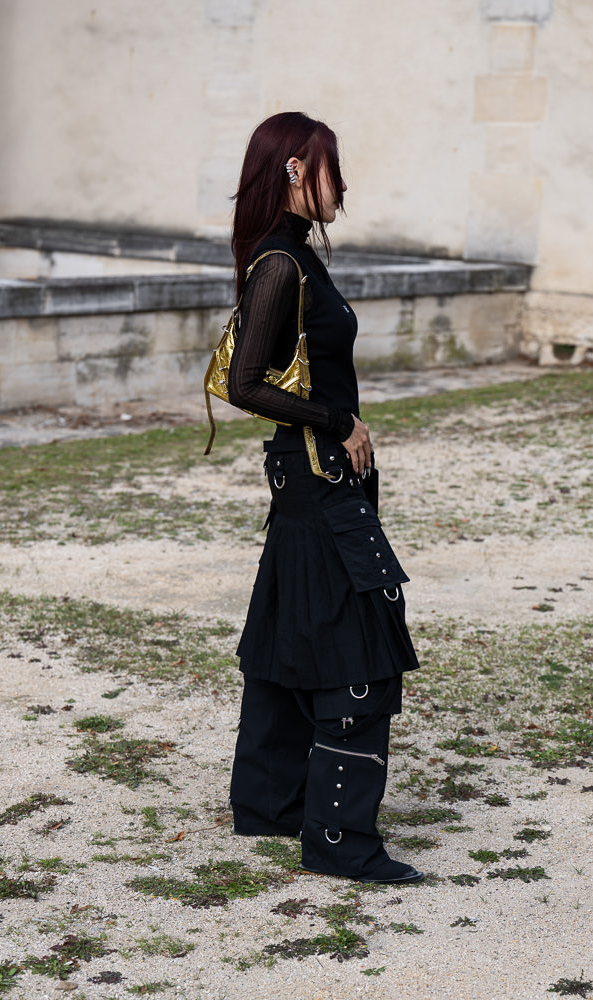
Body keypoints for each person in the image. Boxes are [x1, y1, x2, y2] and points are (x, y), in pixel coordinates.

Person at [225, 111, 422, 884]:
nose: (346, 184)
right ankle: (340, 843)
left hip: (315, 484)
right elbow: (246, 386)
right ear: (297, 171)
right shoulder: (279, 265)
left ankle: (269, 807)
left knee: (287, 637)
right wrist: (338, 421)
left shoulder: (299, 259)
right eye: (333, 168)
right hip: (317, 482)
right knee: (358, 648)